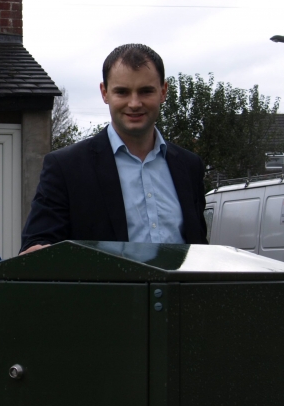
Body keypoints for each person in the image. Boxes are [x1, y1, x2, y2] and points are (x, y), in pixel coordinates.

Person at [20, 43, 207, 253]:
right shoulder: (66, 168)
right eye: (122, 92)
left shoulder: (190, 167)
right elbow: (37, 247)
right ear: (105, 92)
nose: (134, 103)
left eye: (146, 91)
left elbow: (199, 249)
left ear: (163, 91)